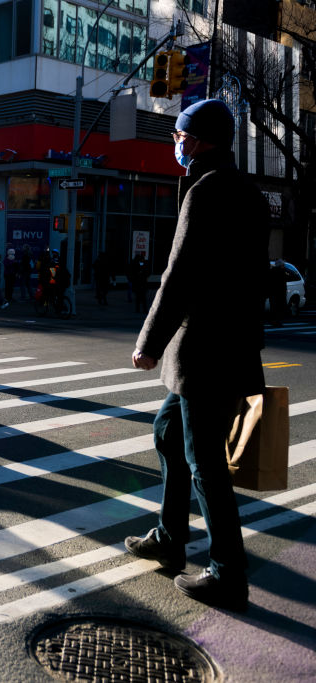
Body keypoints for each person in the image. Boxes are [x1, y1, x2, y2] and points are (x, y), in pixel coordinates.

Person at [125, 99, 269, 612]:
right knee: (168, 434)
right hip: (229, 345)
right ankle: (169, 535)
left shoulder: (206, 190)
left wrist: (148, 343)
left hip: (206, 349)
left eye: (179, 135)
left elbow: (179, 275)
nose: (175, 143)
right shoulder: (249, 192)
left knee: (204, 460)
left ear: (200, 139)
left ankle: (228, 571)